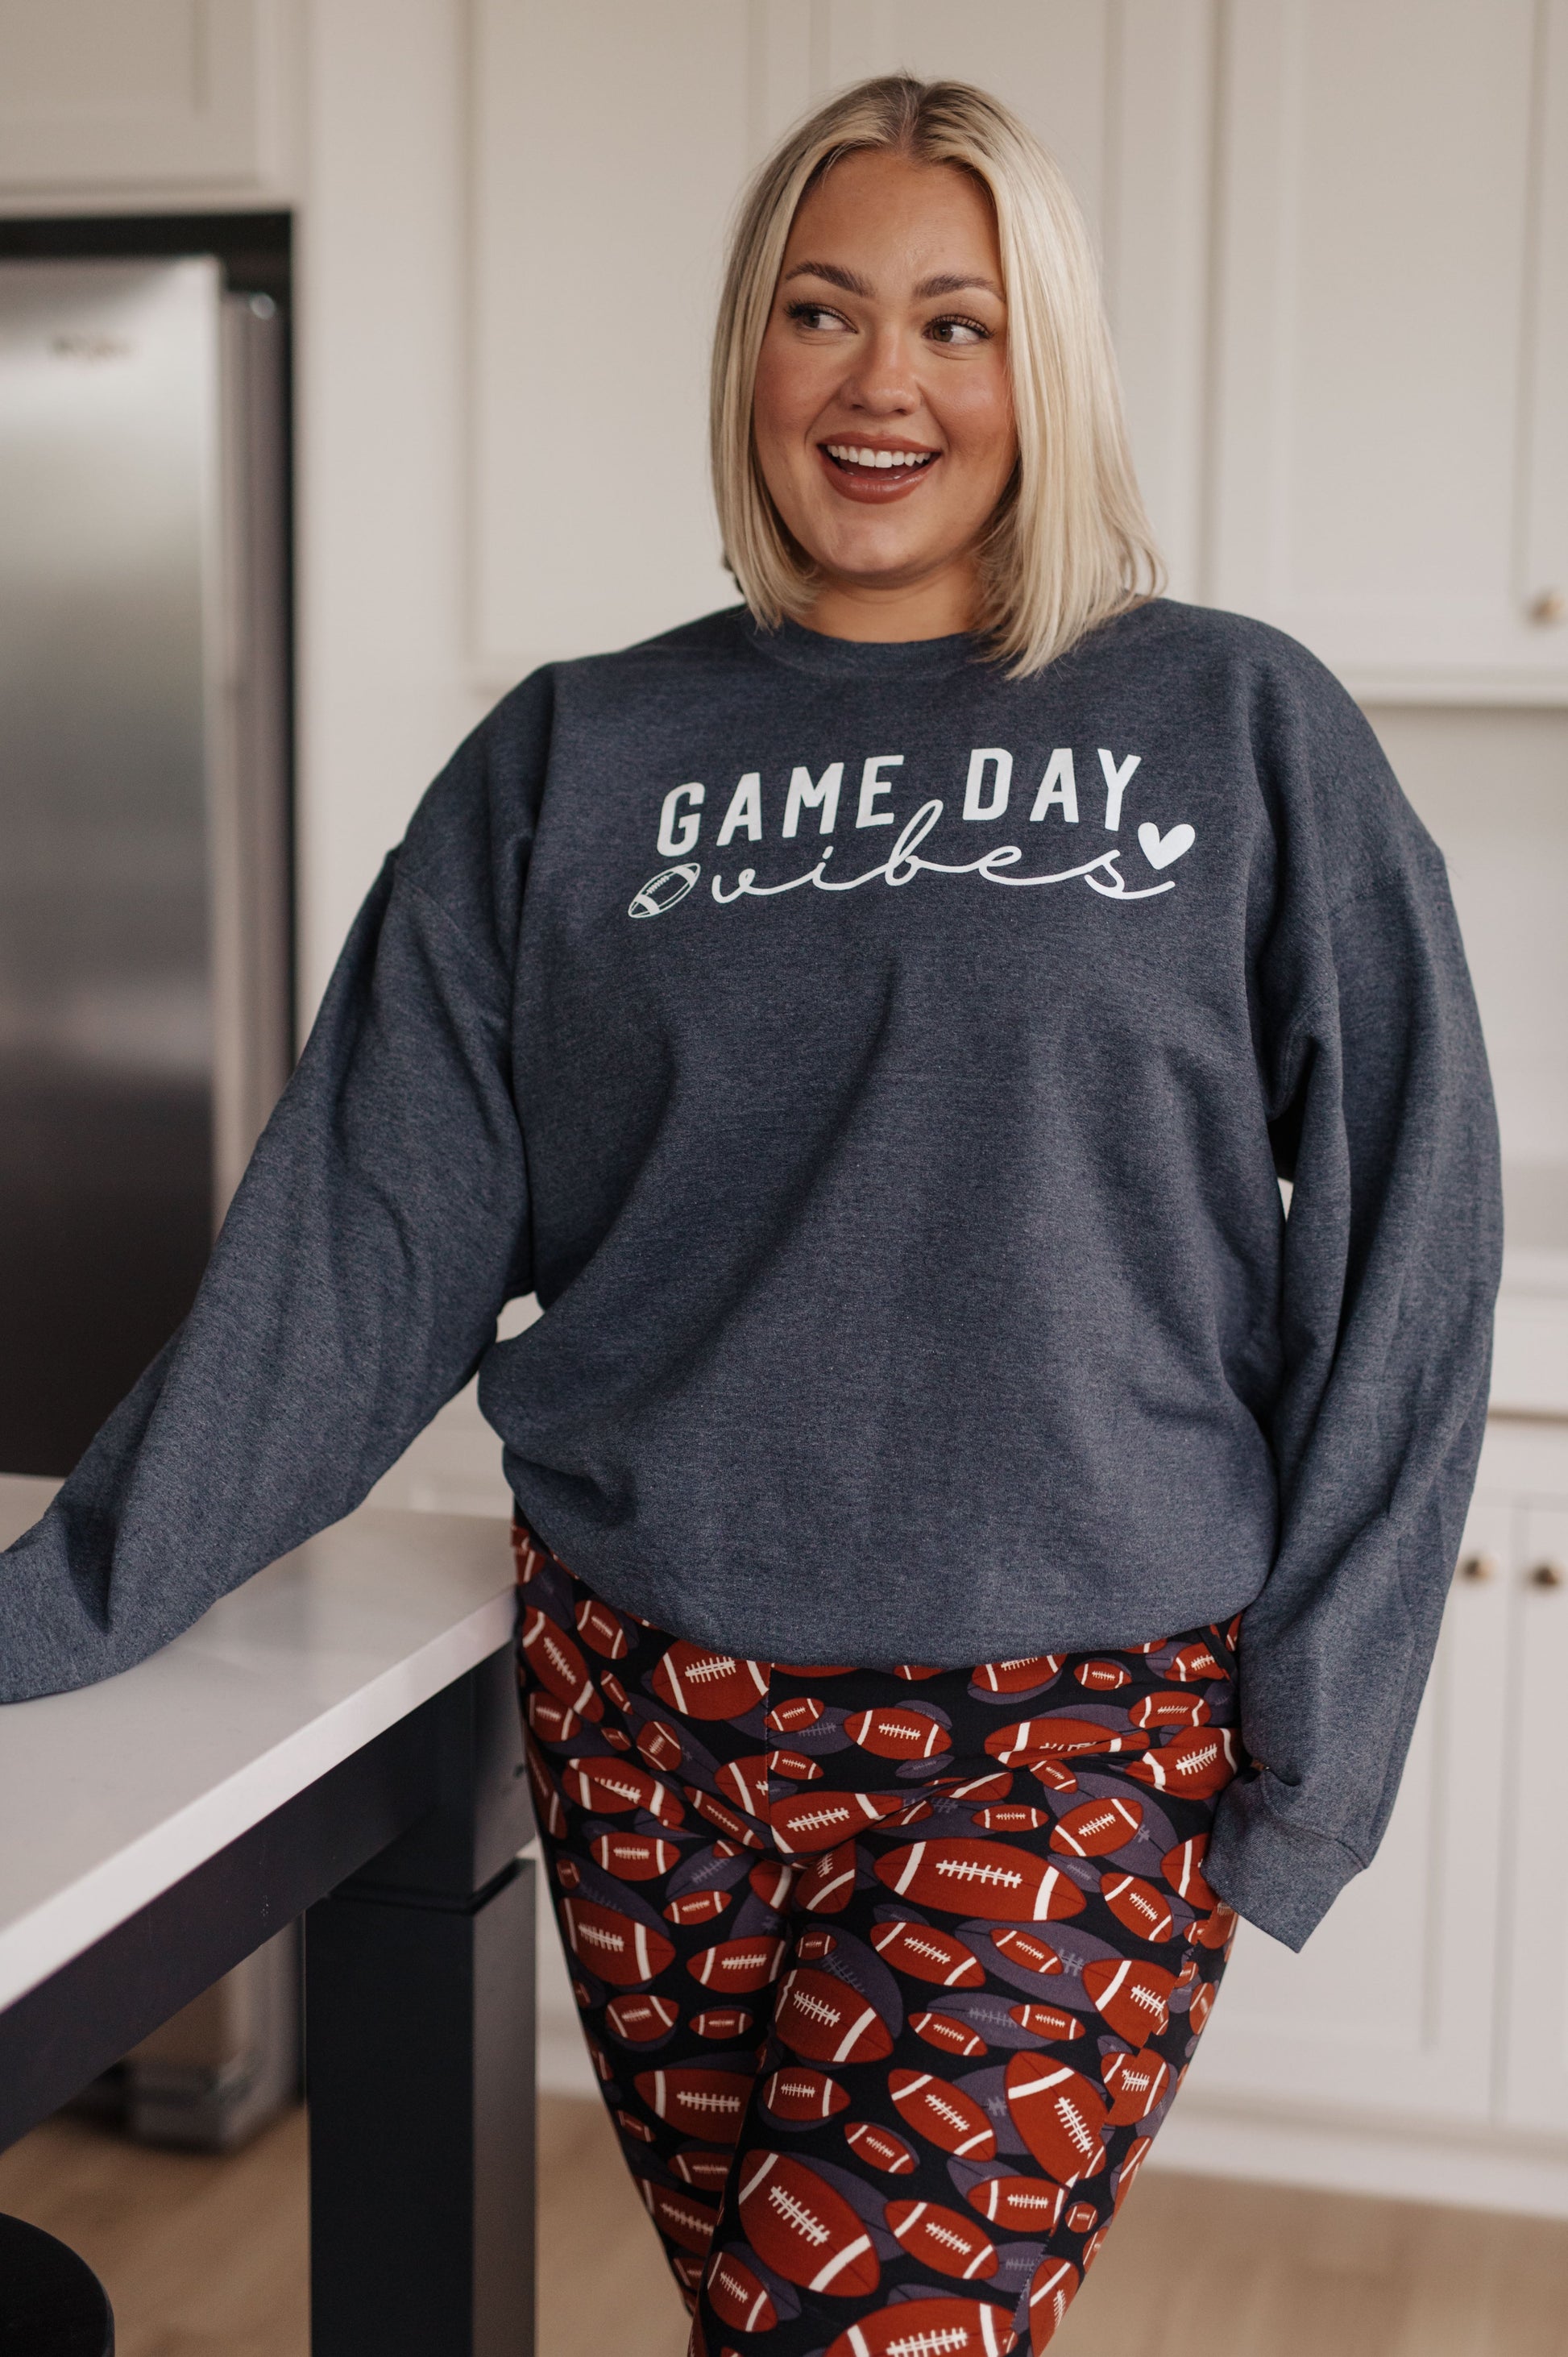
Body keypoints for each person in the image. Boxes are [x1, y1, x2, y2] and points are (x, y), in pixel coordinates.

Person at [1, 75, 1500, 2353]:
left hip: (1070, 1722)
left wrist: (1318, 1746)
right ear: (750, 352)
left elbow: (1411, 1233)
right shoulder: (569, 761)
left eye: (956, 323)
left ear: (1043, 368)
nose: (882, 382)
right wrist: (58, 1604)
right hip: (654, 1710)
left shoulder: (1231, 726)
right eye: (823, 311)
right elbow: (357, 1250)